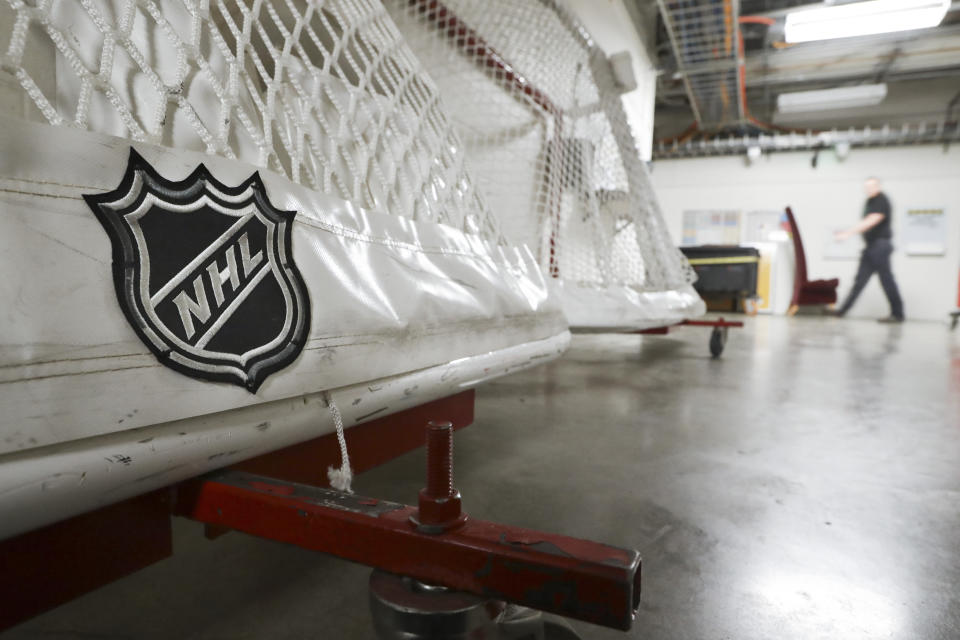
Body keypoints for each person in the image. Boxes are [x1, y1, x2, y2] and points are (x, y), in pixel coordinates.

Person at [831, 177, 904, 322]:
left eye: (872, 186)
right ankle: (842, 311)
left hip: (880, 246)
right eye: (867, 187)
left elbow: (872, 220)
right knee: (860, 281)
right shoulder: (870, 201)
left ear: (878, 187)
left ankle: (897, 314)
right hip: (871, 247)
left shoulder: (880, 200)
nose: (869, 189)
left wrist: (848, 233)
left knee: (886, 280)